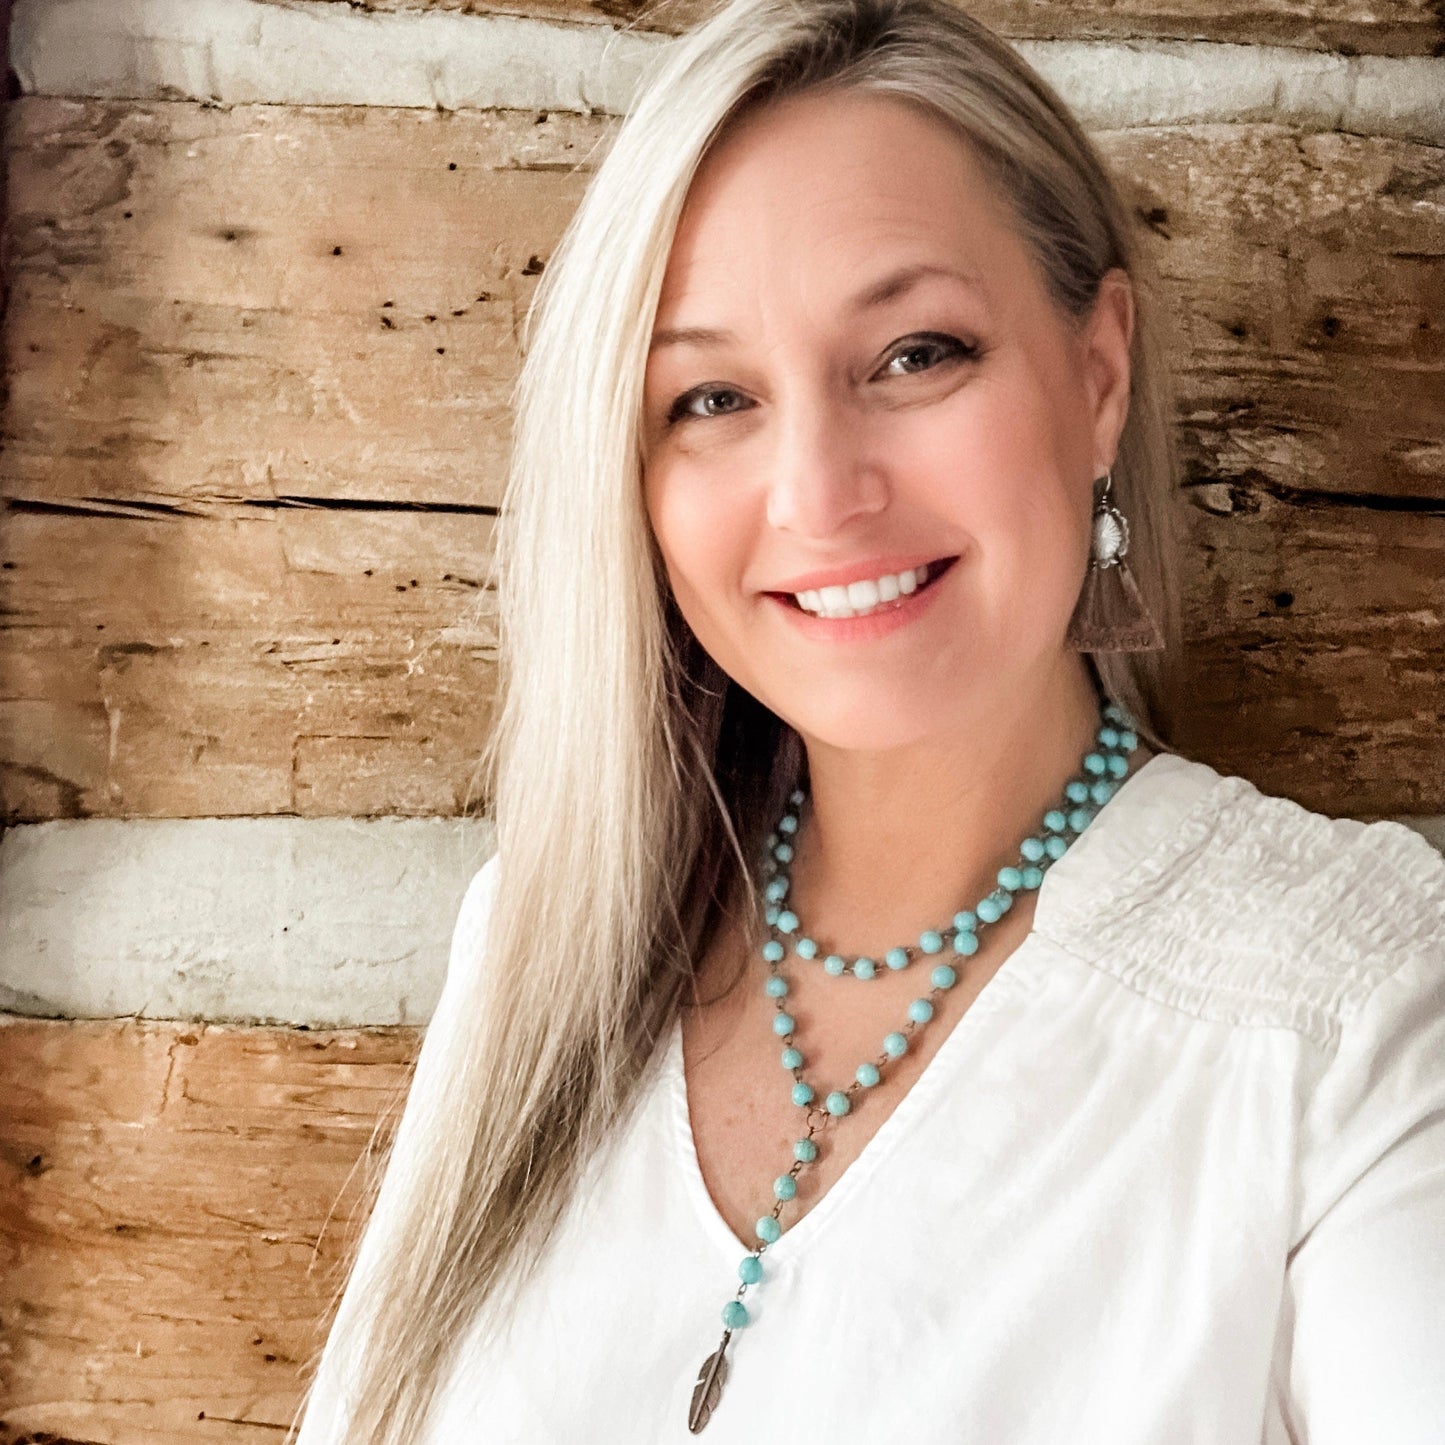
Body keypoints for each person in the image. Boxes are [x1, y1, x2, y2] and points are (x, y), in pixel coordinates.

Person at [292, 0, 1445, 1440]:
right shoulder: (535, 943)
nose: (820, 493)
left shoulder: (1357, 1010)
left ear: (1095, 375)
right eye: (709, 396)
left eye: (915, 354)